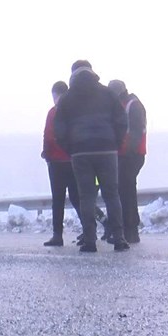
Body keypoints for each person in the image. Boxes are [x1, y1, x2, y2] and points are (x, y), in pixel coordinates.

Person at [53, 60, 129, 252]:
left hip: (81, 153)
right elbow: (122, 120)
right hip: (107, 150)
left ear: (73, 74)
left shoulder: (67, 98)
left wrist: (71, 149)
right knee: (112, 194)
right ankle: (119, 238)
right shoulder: (108, 93)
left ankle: (89, 240)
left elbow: (59, 129)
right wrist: (115, 142)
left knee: (86, 196)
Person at [107, 79, 148, 244]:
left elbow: (136, 132)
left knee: (127, 193)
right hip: (127, 155)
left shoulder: (132, 105)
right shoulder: (126, 104)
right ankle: (129, 230)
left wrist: (125, 153)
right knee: (125, 192)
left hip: (131, 156)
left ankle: (130, 230)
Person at [41, 80, 80, 246]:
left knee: (58, 199)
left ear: (56, 95)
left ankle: (58, 235)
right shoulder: (76, 110)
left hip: (57, 162)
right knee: (77, 197)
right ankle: (88, 230)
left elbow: (48, 136)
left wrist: (46, 154)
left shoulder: (54, 112)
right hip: (74, 160)